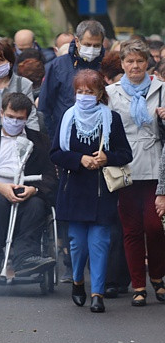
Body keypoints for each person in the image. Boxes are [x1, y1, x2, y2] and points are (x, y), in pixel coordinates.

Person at [51, 70, 133, 313]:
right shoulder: (67, 118)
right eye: (80, 92)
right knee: (77, 245)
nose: (84, 96)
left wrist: (107, 157)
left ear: (100, 94)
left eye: (90, 92)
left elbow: (126, 154)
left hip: (101, 193)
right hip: (73, 190)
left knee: (100, 243)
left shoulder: (112, 119)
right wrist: (79, 159)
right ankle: (78, 281)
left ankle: (97, 293)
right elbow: (55, 153)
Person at [0, 93, 57, 277]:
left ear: (27, 118)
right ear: (2, 113)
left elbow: (50, 177)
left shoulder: (40, 141)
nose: (14, 122)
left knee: (36, 205)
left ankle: (26, 257)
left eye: (19, 119)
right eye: (10, 117)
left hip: (27, 190)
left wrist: (34, 189)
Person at [107, 39, 165, 306]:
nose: (135, 66)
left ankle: (158, 278)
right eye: (129, 61)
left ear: (147, 63)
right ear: (122, 64)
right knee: (131, 229)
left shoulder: (162, 89)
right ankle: (138, 286)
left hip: (154, 163)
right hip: (125, 165)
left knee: (154, 227)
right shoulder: (112, 92)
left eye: (140, 61)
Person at [38, 20, 105, 142]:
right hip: (64, 135)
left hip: (99, 137)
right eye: (87, 44)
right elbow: (45, 106)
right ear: (77, 41)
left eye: (96, 46)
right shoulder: (59, 65)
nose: (91, 49)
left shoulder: (106, 65)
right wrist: (54, 138)